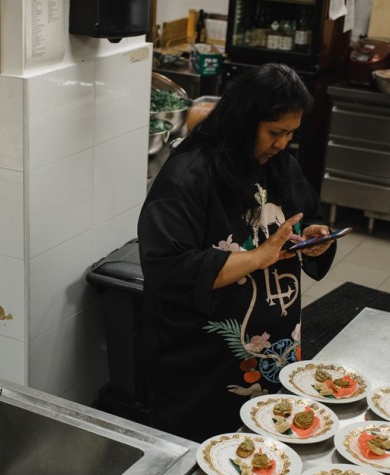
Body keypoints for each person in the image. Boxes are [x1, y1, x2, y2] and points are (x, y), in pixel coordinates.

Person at [138, 63, 336, 441]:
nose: (282, 144)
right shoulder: (187, 177)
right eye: (274, 132)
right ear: (244, 121)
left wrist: (315, 239)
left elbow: (308, 216)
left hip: (274, 352)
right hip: (201, 366)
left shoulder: (280, 166)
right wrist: (258, 256)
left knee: (264, 449)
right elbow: (167, 267)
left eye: (290, 134)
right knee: (205, 459)